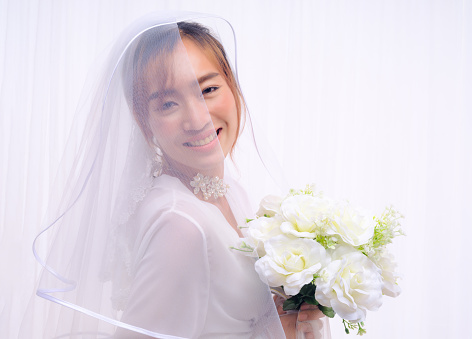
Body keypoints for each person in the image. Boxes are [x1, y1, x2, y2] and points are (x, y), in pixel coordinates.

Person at [29, 12, 327, 338]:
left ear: (233, 86)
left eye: (208, 89)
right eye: (169, 104)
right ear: (145, 123)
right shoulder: (180, 223)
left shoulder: (231, 193)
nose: (198, 118)